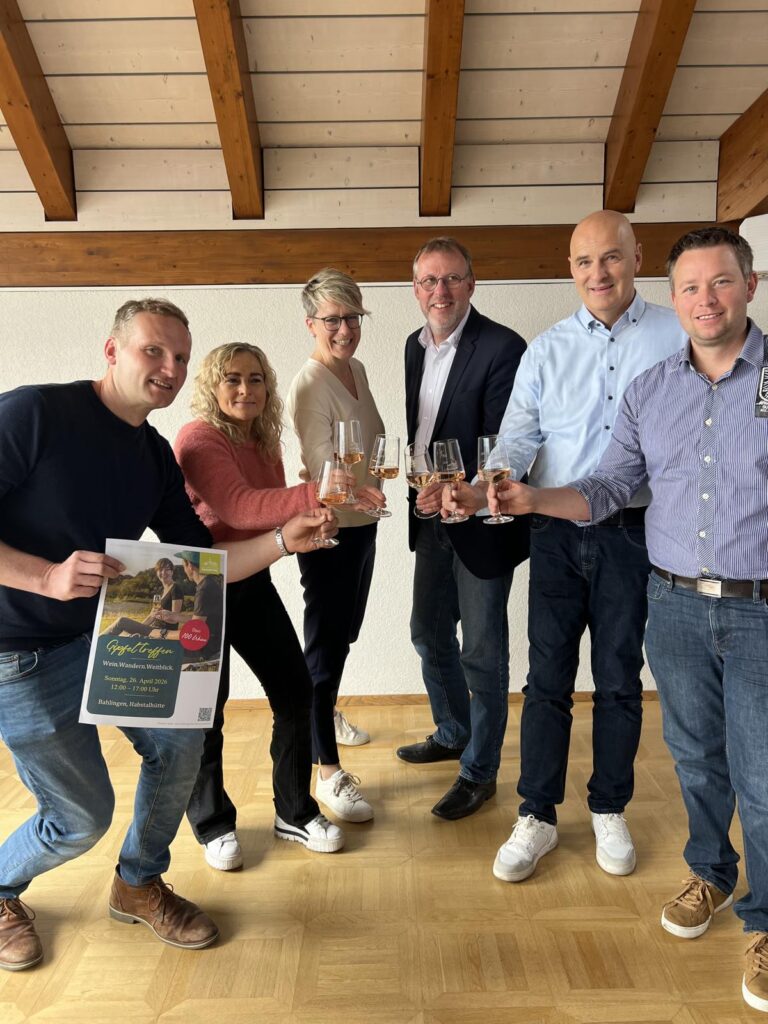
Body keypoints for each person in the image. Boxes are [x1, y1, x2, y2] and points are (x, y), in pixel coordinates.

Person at [0, 299, 335, 971]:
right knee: (80, 819)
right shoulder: (33, 414)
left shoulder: (152, 454)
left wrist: (281, 540)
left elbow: (202, 564)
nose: (170, 368)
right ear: (113, 350)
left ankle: (139, 881)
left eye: (180, 357)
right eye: (154, 351)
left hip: (110, 629)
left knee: (184, 737)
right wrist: (43, 577)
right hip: (19, 652)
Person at [485, 226, 768, 1012]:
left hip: (733, 594)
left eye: (719, 283)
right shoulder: (652, 387)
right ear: (673, 296)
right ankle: (703, 871)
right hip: (659, 586)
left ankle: (764, 918)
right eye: (692, 288)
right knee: (692, 755)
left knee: (760, 769)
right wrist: (522, 495)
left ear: (750, 285)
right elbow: (600, 480)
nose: (704, 300)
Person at [447, 211, 686, 877]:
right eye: (584, 262)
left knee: (617, 679)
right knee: (546, 679)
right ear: (571, 270)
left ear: (637, 257)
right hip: (553, 532)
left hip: (636, 534)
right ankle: (537, 814)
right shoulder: (547, 349)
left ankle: (609, 807)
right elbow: (518, 438)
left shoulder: (677, 335)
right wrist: (483, 484)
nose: (598, 273)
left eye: (610, 257)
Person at [174, 343, 346, 870]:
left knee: (296, 692)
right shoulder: (199, 438)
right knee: (205, 712)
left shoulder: (261, 437)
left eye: (255, 379)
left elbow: (266, 520)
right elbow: (238, 506)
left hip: (249, 578)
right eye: (232, 379)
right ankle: (212, 825)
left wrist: (313, 521)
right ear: (212, 386)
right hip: (198, 587)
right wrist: (314, 493)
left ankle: (294, 811)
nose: (245, 390)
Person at [395, 236, 529, 820]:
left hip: (481, 518)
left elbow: (506, 440)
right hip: (431, 516)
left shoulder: (504, 346)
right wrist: (422, 485)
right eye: (428, 281)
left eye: (451, 279)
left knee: (482, 651)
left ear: (472, 284)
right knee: (427, 631)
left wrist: (465, 490)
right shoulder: (411, 346)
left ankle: (481, 770)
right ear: (416, 289)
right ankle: (453, 730)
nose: (439, 291)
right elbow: (422, 433)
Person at [286, 269, 386, 823]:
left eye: (352, 317)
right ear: (311, 324)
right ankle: (326, 769)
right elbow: (322, 465)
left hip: (362, 524)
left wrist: (374, 484)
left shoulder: (357, 370)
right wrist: (357, 486)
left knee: (344, 633)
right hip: (328, 528)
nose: (345, 328)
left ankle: (324, 712)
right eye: (332, 319)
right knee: (324, 646)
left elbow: (365, 447)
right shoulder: (310, 383)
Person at [103, 557, 183, 636]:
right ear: (157, 572)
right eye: (160, 569)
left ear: (172, 572)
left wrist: (161, 616)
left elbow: (174, 619)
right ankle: (100, 641)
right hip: (153, 629)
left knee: (122, 621)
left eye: (167, 569)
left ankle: (100, 641)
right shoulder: (162, 591)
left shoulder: (175, 589)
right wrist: (138, 628)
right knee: (124, 634)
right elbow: (151, 616)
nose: (163, 572)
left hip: (162, 632)